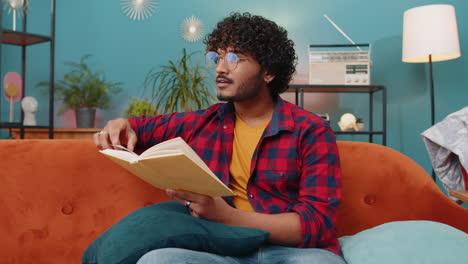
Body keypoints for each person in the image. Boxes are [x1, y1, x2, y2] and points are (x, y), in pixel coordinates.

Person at [94, 12, 345, 264]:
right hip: (221, 250)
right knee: (157, 260)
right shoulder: (204, 122)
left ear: (268, 72)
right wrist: (120, 126)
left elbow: (316, 224)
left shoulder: (310, 130)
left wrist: (226, 217)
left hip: (293, 253)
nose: (220, 68)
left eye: (234, 58)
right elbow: (141, 127)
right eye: (217, 57)